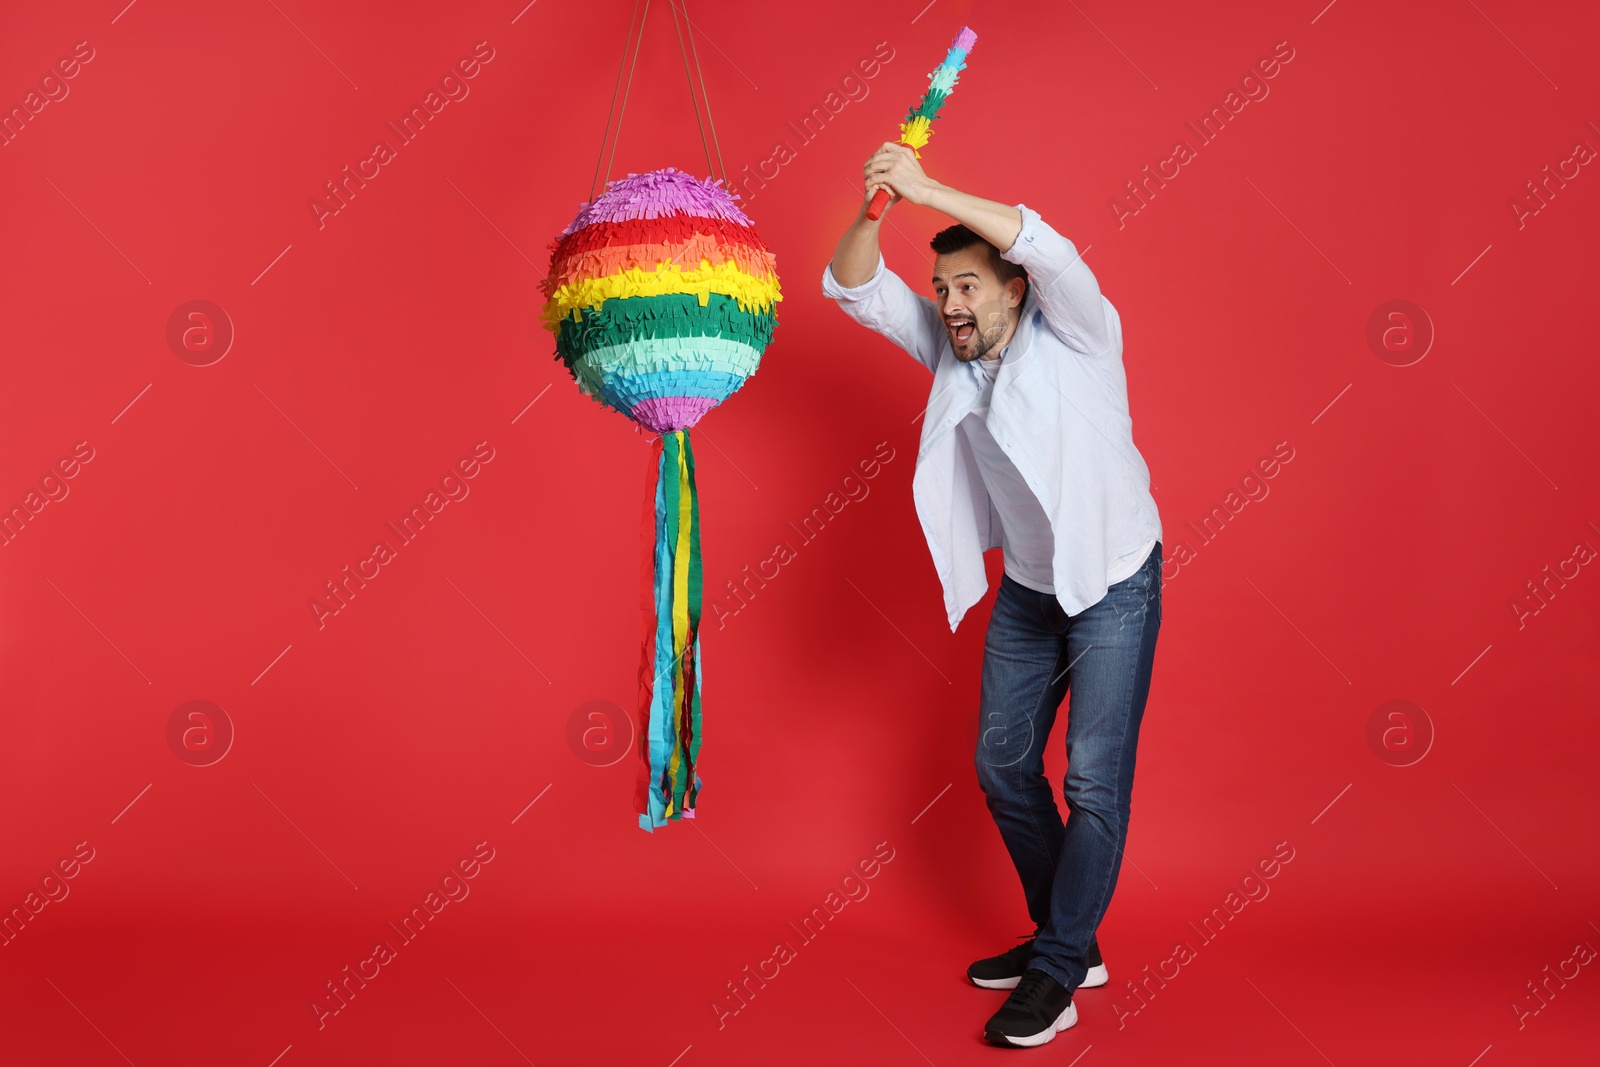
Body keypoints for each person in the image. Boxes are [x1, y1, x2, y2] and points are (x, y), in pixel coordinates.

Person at [820, 142, 1164, 1048]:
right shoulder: (950, 347)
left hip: (1114, 581)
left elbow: (1052, 249)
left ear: (1012, 288)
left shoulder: (1082, 335)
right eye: (943, 289)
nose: (950, 304)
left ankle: (1055, 969)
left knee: (1093, 782)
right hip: (1029, 589)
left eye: (968, 286)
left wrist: (927, 186)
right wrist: (875, 212)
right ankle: (1070, 937)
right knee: (1002, 767)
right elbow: (853, 289)